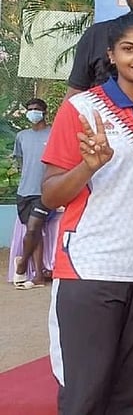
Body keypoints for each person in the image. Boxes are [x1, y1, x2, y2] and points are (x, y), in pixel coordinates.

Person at [42, 12, 133, 413]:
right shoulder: (83, 109)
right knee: (85, 392)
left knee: (128, 394)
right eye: (129, 49)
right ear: (112, 55)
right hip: (91, 268)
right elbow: (50, 194)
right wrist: (88, 166)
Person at [12, 98, 53, 289]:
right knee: (34, 232)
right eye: (30, 110)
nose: (33, 113)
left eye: (37, 109)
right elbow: (20, 162)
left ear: (44, 112)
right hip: (24, 192)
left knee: (32, 228)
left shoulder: (53, 133)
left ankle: (21, 265)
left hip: (44, 192)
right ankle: (38, 275)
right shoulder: (21, 136)